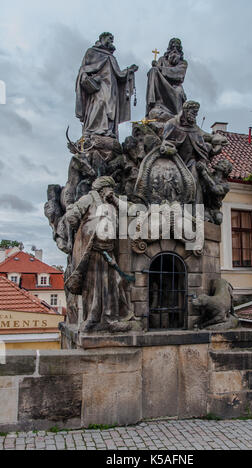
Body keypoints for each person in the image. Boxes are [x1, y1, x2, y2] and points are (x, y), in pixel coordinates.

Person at [65, 176, 133, 333]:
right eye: (110, 188)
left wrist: (114, 199)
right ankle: (92, 320)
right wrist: (84, 231)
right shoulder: (89, 199)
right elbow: (71, 215)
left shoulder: (111, 203)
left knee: (113, 285)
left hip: (109, 250)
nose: (112, 191)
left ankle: (111, 320)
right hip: (94, 251)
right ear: (103, 188)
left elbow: (129, 210)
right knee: (94, 287)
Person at [76, 32, 138, 139]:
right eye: (109, 38)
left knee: (111, 107)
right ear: (102, 38)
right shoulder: (92, 52)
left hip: (112, 87)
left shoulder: (112, 58)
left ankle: (108, 131)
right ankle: (93, 130)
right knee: (100, 103)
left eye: (112, 39)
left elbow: (120, 74)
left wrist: (129, 70)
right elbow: (83, 69)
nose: (111, 41)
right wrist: (89, 78)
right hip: (99, 85)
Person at [146, 38, 188, 122]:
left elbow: (179, 74)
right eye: (173, 47)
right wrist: (156, 67)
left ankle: (178, 116)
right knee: (153, 71)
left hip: (175, 86)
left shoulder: (183, 63)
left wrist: (160, 68)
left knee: (179, 91)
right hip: (161, 85)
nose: (174, 49)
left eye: (177, 47)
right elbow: (156, 72)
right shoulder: (162, 60)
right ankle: (153, 103)